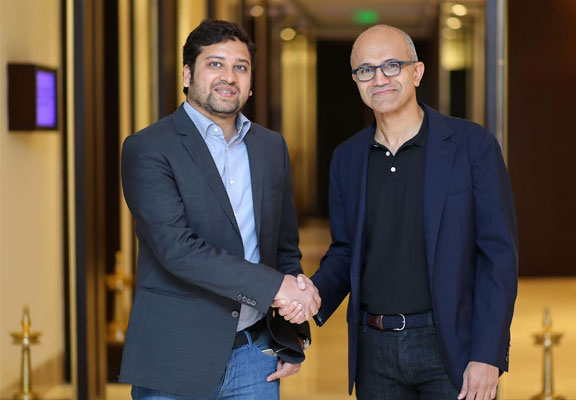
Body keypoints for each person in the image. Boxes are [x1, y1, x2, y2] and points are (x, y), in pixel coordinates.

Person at [284, 24, 518, 399]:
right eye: (366, 70)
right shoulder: (347, 158)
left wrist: (487, 355)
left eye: (392, 65)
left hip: (450, 347)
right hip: (375, 351)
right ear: (356, 81)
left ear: (417, 72)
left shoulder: (472, 145)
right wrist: (311, 294)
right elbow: (346, 251)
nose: (379, 79)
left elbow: (498, 258)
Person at [119, 19, 320, 399]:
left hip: (255, 353)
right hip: (175, 357)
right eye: (215, 64)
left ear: (251, 82)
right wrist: (277, 287)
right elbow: (178, 250)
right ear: (187, 74)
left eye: (240, 67)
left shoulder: (271, 147)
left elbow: (283, 246)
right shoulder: (149, 148)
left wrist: (292, 331)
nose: (229, 76)